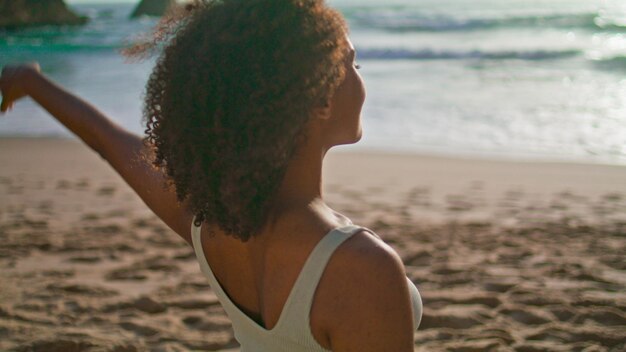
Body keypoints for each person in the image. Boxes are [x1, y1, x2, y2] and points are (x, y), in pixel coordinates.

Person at [0, 0, 422, 350]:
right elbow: (110, 144)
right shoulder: (361, 267)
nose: (360, 79)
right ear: (321, 99)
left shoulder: (209, 225)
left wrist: (32, 84)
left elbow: (111, 144)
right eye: (352, 64)